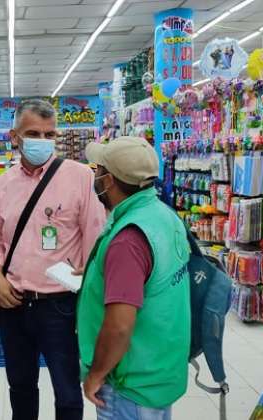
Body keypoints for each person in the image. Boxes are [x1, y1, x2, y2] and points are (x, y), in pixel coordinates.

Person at [0, 99, 106, 420]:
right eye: (33, 133)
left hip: (61, 305)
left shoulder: (80, 177)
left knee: (67, 392)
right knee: (20, 387)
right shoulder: (4, 184)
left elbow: (96, 239)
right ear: (15, 136)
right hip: (13, 304)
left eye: (50, 134)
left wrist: (89, 298)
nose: (43, 141)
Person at [77, 137, 191, 419]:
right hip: (159, 367)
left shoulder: (128, 239)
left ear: (109, 180)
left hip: (129, 384)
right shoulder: (163, 215)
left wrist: (96, 374)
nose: (95, 175)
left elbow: (119, 326)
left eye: (98, 169)